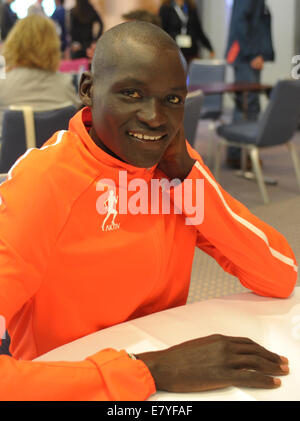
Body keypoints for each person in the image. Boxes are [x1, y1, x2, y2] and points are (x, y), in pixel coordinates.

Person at [0, 21, 296, 400]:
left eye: (172, 99)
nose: (155, 117)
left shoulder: (176, 167)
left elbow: (279, 275)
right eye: (132, 93)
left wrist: (188, 177)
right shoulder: (43, 183)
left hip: (164, 382)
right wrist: (149, 371)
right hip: (76, 385)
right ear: (88, 90)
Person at [0, 15, 81, 134]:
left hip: (10, 152)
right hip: (54, 151)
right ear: (54, 45)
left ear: (14, 42)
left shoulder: (3, 83)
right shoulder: (66, 84)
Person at [225, 0, 275, 169]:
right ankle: (239, 154)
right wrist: (253, 53)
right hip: (247, 58)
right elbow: (240, 23)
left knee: (247, 103)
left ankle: (239, 153)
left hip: (248, 58)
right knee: (247, 104)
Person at [159, 0, 215, 64]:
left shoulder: (191, 7)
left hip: (191, 52)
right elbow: (162, 31)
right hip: (174, 52)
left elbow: (199, 30)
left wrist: (210, 48)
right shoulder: (166, 8)